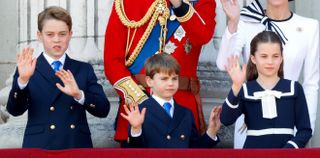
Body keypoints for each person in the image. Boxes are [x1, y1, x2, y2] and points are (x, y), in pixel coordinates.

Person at [104, 0, 216, 145]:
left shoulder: (201, 2)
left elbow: (202, 36)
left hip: (180, 112)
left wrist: (178, 5)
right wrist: (143, 103)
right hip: (138, 110)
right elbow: (112, 63)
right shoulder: (126, 3)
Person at [216, 0, 319, 148]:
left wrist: (302, 135)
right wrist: (233, 22)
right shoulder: (246, 21)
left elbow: (311, 85)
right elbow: (223, 64)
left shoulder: (309, 26)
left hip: (288, 126)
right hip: (250, 123)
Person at [6, 6, 110, 150]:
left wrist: (78, 94)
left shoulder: (83, 69)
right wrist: (22, 81)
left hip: (75, 145)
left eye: (62, 34)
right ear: (39, 35)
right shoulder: (27, 68)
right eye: (50, 34)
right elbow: (14, 111)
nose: (57, 40)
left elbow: (103, 110)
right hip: (40, 147)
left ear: (70, 34)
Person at [120, 53, 221, 148]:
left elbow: (194, 151)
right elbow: (134, 152)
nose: (170, 83)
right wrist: (136, 129)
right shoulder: (140, 111)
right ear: (149, 81)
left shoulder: (186, 113)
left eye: (174, 78)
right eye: (164, 79)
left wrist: (211, 131)